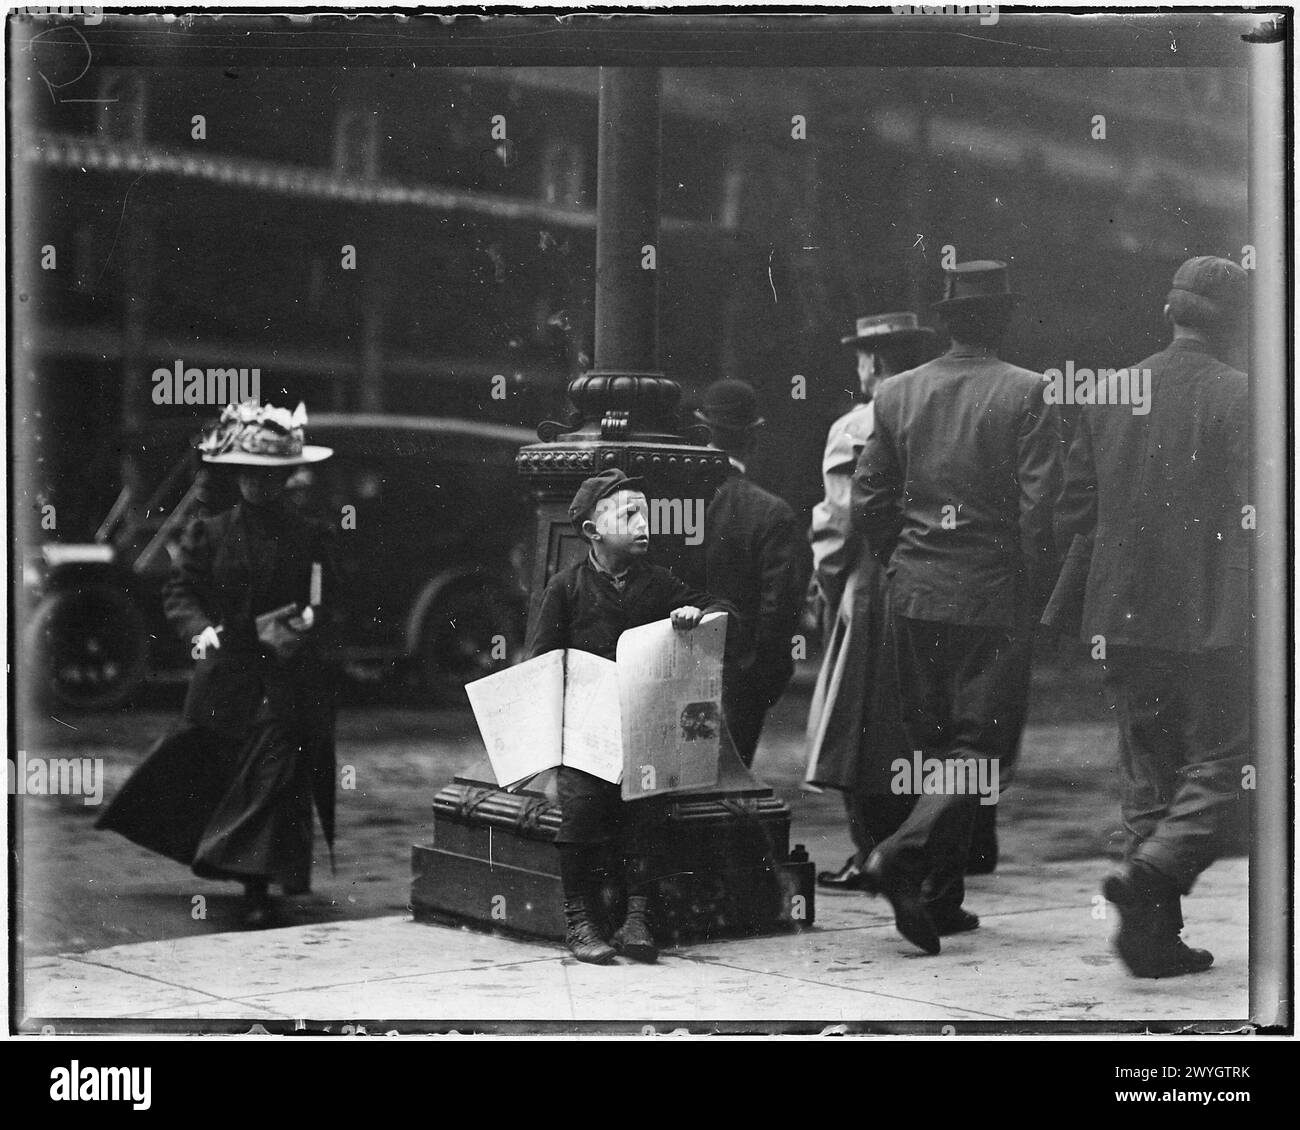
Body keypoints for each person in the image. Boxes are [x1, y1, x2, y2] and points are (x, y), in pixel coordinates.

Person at [852, 261, 1059, 954]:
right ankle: (901, 855)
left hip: (914, 594)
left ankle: (938, 901)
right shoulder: (1029, 392)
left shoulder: (896, 393)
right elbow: (1038, 513)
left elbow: (870, 502)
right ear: (1001, 320)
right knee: (979, 752)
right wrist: (1035, 591)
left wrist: (901, 562)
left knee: (937, 745)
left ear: (947, 322)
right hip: (991, 596)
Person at [1055, 255, 1250, 978]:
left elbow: (1075, 508)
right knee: (1233, 759)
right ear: (1234, 322)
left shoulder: (1110, 391)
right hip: (1209, 615)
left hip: (1120, 612)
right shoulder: (1241, 394)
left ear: (1170, 312)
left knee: (1148, 773)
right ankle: (1154, 875)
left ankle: (1152, 938)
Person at [98, 401, 338, 928]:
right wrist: (200, 628)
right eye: (250, 476)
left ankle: (257, 884)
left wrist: (305, 624)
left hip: (283, 674)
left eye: (270, 477)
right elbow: (181, 589)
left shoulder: (309, 534)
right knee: (222, 768)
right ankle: (236, 866)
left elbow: (324, 601)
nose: (259, 487)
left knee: (274, 768)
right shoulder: (209, 531)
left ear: (285, 478)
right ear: (238, 477)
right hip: (228, 674)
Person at [525, 469, 733, 965]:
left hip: (645, 733)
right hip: (585, 737)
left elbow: (720, 609)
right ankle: (579, 920)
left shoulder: (658, 583)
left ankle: (638, 917)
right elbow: (541, 665)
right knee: (579, 813)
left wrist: (694, 616)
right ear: (593, 532)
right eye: (630, 515)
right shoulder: (566, 588)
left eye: (647, 514)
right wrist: (550, 753)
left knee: (650, 812)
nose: (645, 525)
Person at [805, 312, 937, 891]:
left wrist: (831, 590)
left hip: (870, 583)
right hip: (933, 579)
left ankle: (872, 853)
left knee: (857, 724)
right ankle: (917, 853)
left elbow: (837, 525)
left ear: (876, 361)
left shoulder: (856, 425)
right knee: (920, 723)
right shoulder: (940, 417)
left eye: (861, 355)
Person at [695, 380, 811, 768]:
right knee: (728, 785)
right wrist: (759, 675)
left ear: (703, 432)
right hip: (740, 681)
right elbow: (781, 609)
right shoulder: (772, 513)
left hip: (671, 668)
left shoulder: (670, 504)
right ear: (754, 437)